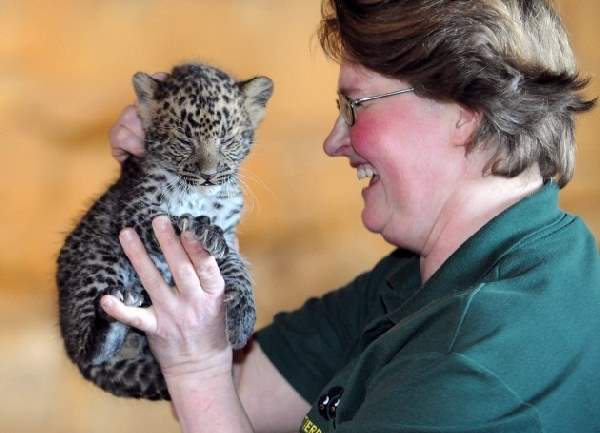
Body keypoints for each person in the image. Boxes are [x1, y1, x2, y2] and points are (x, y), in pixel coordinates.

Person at [101, 0, 600, 432]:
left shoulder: (477, 362)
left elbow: (202, 377)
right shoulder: (434, 273)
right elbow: (239, 388)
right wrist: (167, 174)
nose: (333, 142)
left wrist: (195, 367)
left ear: (465, 109)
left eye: (355, 105)